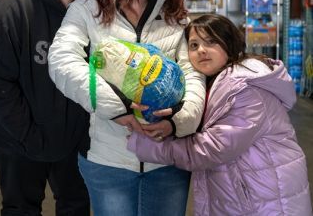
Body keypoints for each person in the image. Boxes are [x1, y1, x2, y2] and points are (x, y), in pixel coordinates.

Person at [48, 0, 206, 216]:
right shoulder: (89, 7)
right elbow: (61, 60)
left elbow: (193, 74)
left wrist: (178, 122)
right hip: (109, 161)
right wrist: (116, 107)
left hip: (167, 161)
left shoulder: (175, 17)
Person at [128, 13, 313, 216]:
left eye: (211, 42)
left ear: (230, 43)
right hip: (246, 194)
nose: (201, 50)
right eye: (194, 45)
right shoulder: (214, 83)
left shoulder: (245, 89)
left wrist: (146, 144)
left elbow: (212, 149)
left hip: (265, 199)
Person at [0, 0, 114, 215]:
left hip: (72, 140)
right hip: (18, 140)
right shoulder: (13, 9)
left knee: (76, 206)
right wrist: (32, 139)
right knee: (21, 208)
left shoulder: (93, 16)